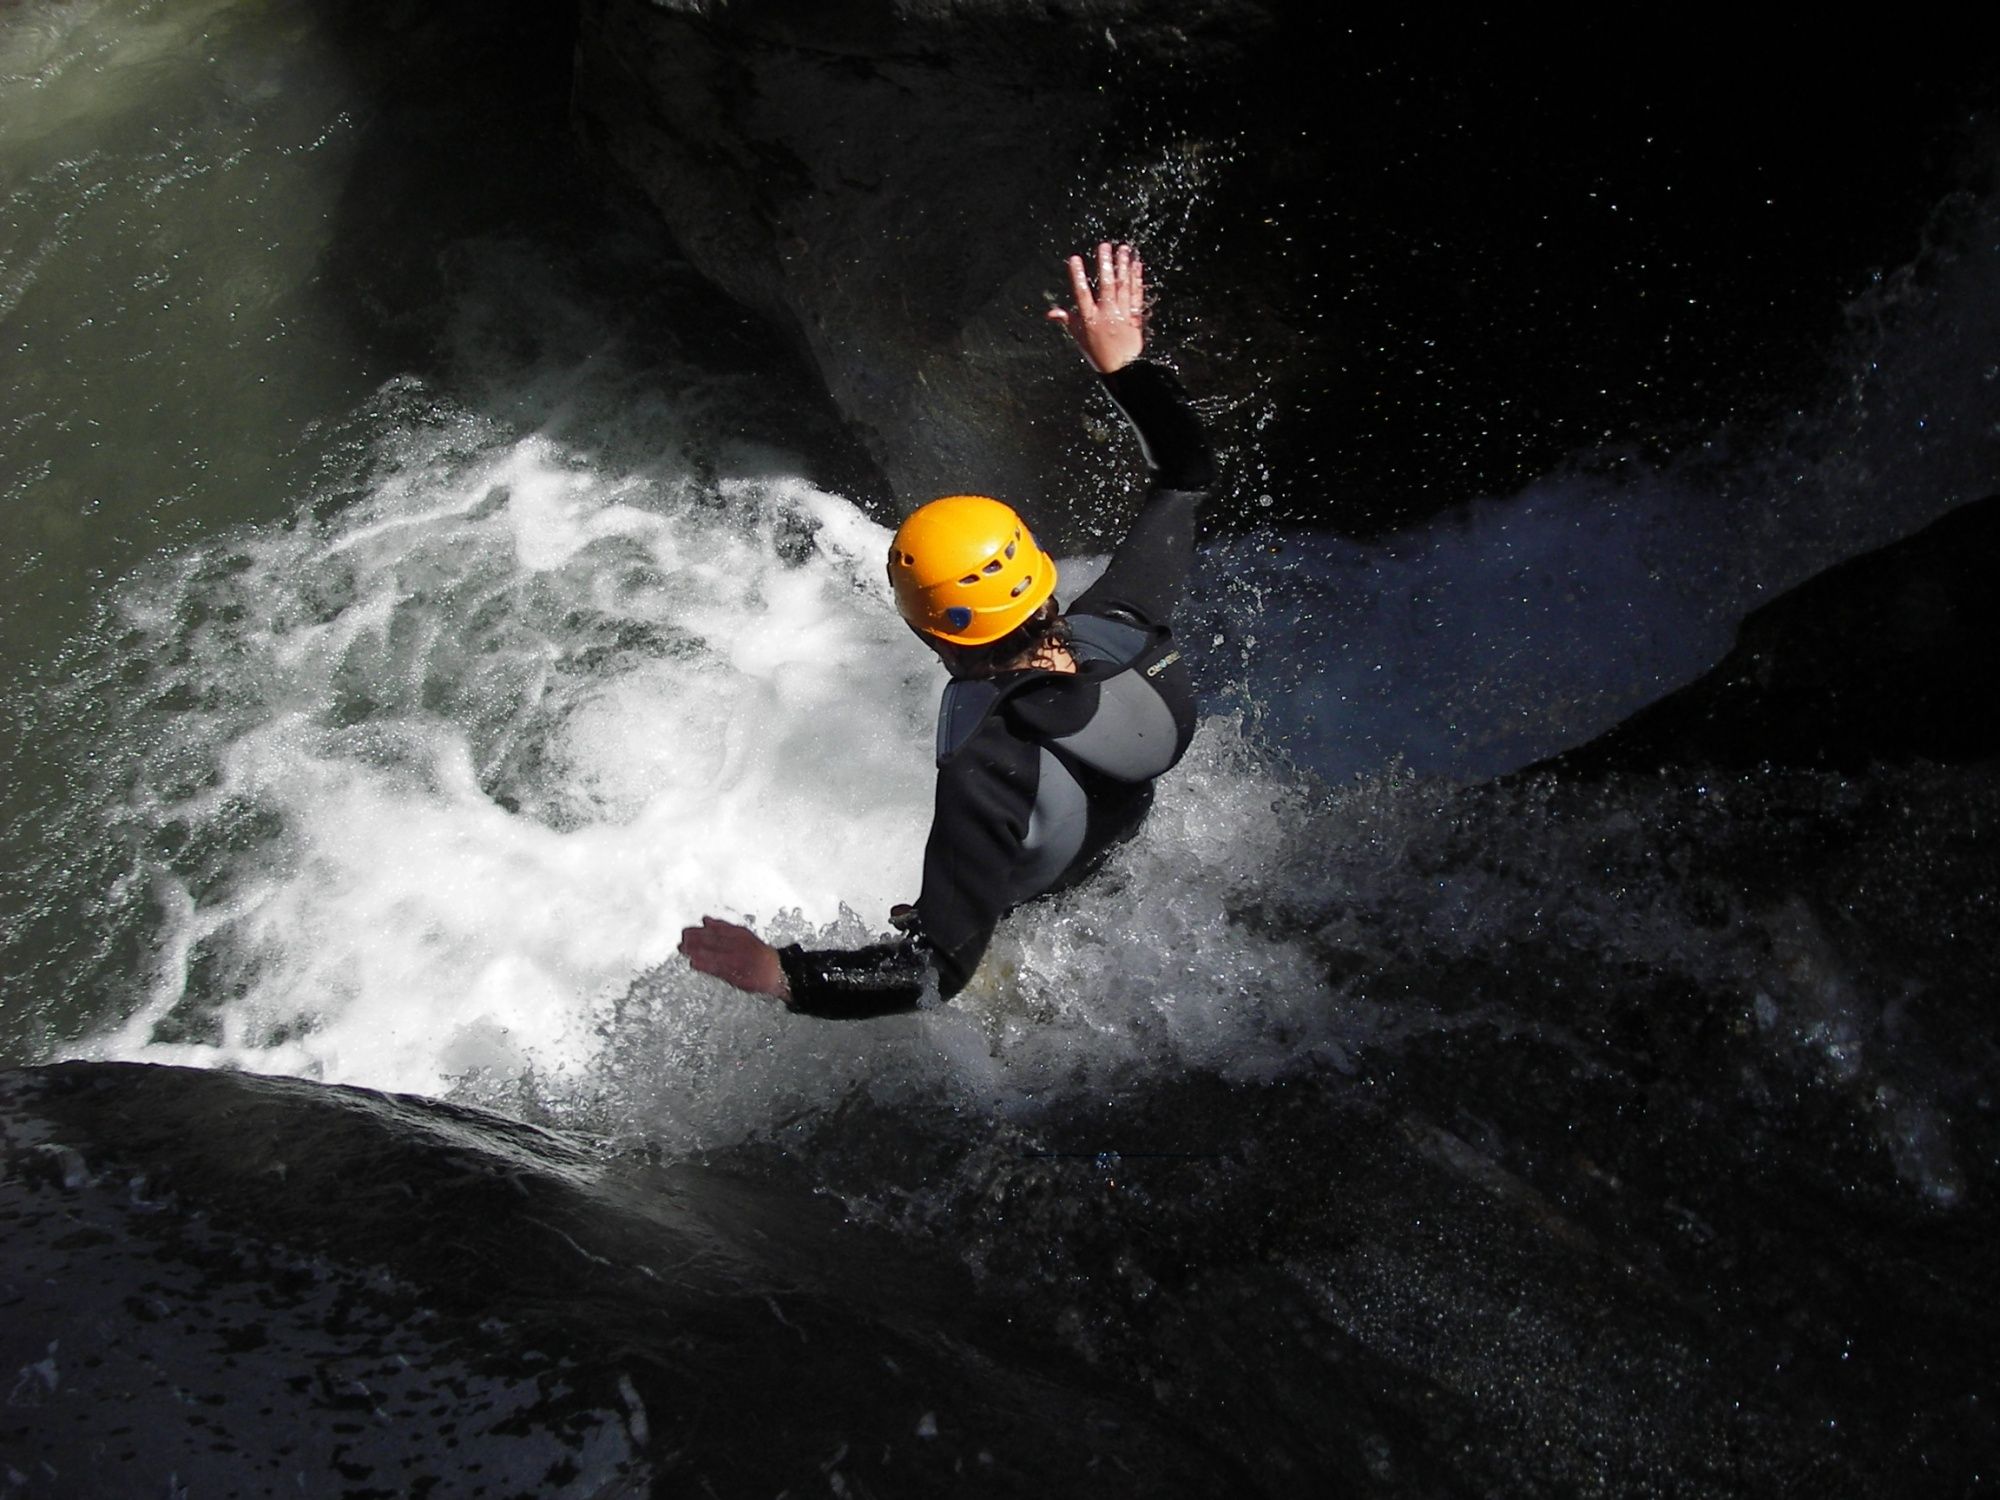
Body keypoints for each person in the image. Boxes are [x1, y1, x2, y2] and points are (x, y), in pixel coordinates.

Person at [678, 242, 1215, 1017]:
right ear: (1040, 575)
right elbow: (1186, 477)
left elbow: (938, 971)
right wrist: (1124, 368)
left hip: (1044, 929)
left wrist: (784, 973)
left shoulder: (987, 767)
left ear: (928, 631)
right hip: (1131, 856)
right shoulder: (1129, 629)